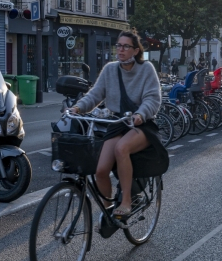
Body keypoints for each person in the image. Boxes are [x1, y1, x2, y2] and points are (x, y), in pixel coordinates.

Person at [70, 30, 165, 219]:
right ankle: (108, 210)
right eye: (118, 46)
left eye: (126, 46)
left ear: (136, 50)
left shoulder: (146, 69)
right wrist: (78, 108)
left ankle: (126, 201)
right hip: (118, 123)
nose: (120, 50)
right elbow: (95, 94)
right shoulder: (110, 69)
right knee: (100, 170)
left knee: (122, 149)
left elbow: (153, 99)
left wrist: (141, 114)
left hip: (141, 124)